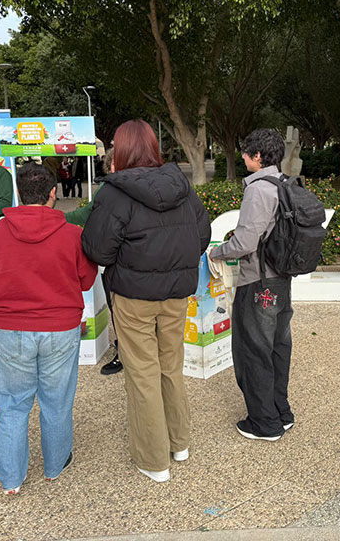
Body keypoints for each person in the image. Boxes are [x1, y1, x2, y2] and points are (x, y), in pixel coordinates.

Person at [81, 119, 210, 483]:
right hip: (176, 294)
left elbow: (98, 249)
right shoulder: (182, 186)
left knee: (142, 373)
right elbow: (202, 235)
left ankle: (154, 461)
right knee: (171, 365)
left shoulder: (113, 194)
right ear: (154, 148)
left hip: (133, 296)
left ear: (120, 152)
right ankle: (179, 443)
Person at [0, 164, 97, 495]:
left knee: (12, 405)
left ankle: (11, 479)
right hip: (61, 328)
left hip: (9, 328)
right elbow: (86, 279)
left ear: (18, 193)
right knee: (57, 401)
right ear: (53, 193)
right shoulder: (72, 234)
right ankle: (54, 466)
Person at [209, 129, 295, 442]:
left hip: (258, 282)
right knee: (278, 347)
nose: (243, 156)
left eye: (246, 152)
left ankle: (264, 423)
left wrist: (216, 252)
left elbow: (244, 242)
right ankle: (281, 412)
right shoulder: (284, 183)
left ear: (257, 156)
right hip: (281, 279)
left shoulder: (258, 189)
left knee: (253, 351)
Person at [65, 149, 123, 376]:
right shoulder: (107, 189)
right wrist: (55, 218)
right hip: (120, 262)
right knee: (119, 310)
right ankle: (124, 351)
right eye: (115, 163)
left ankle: (128, 353)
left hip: (130, 262)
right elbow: (87, 214)